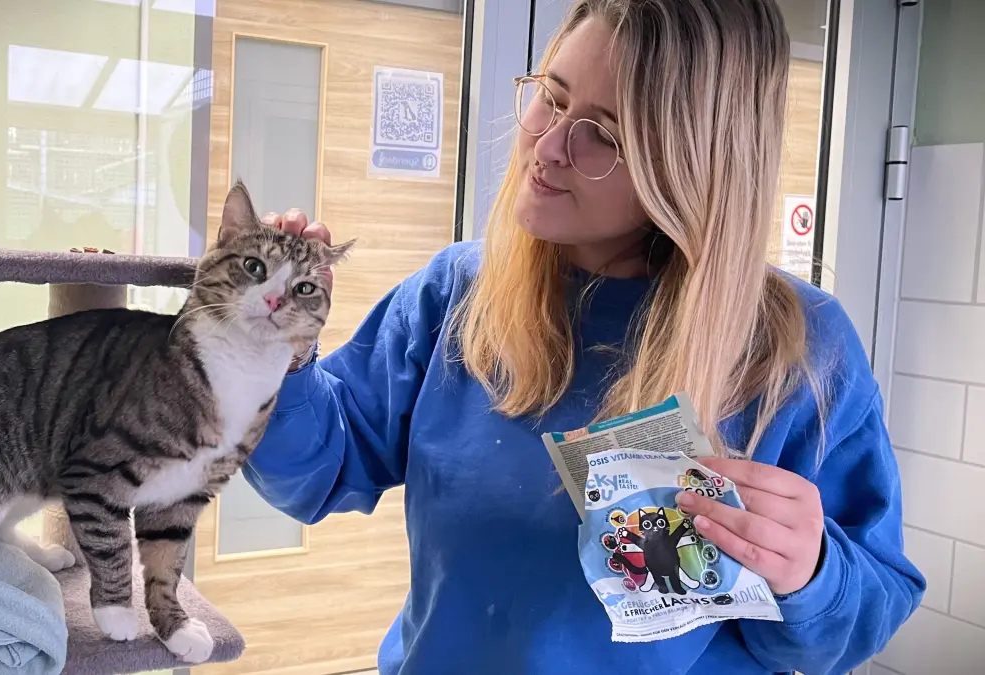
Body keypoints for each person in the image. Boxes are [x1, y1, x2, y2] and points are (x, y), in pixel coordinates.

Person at [245, 1, 924, 673]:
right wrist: (272, 347)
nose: (546, 145)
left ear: (692, 168)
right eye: (552, 98)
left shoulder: (798, 350)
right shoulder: (456, 295)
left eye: (602, 133)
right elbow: (313, 473)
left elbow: (869, 607)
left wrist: (812, 575)